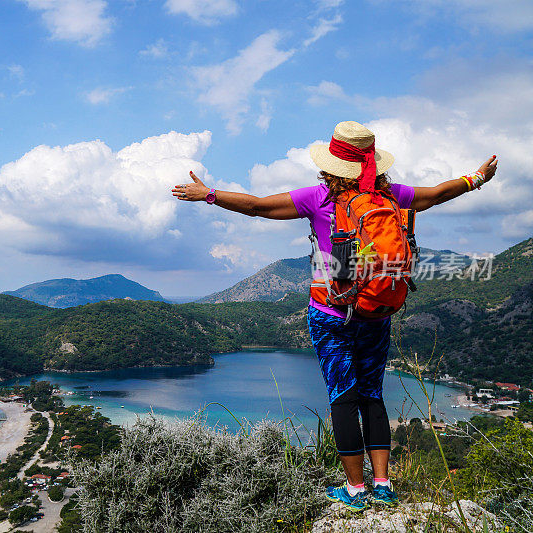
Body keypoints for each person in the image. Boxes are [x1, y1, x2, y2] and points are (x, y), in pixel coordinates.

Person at [171, 121, 498, 511]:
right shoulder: (391, 195)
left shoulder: (319, 197)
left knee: (343, 397)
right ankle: (382, 484)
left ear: (332, 165)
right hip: (377, 311)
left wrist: (208, 194)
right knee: (372, 394)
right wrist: (477, 177)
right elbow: (438, 194)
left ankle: (355, 491)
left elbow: (258, 207)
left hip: (331, 312)